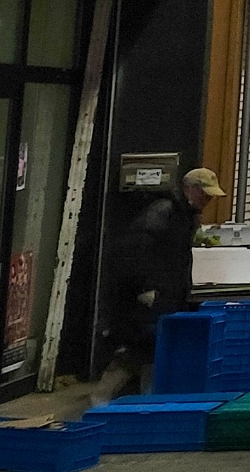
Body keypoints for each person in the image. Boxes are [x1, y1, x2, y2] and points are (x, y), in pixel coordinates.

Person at [94, 165, 223, 401]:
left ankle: (147, 401)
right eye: (204, 194)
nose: (207, 200)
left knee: (153, 349)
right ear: (188, 188)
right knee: (139, 347)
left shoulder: (183, 215)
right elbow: (137, 250)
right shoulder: (165, 213)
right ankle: (102, 398)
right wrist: (145, 287)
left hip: (166, 292)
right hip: (151, 294)